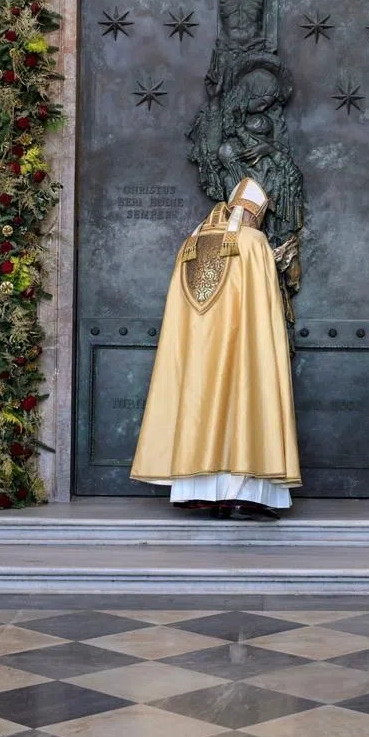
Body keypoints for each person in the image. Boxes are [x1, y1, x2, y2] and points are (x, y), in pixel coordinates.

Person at [130, 177, 300, 519]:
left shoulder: (191, 242)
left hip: (196, 353)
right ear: (255, 213)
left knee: (198, 405)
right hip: (241, 347)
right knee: (244, 405)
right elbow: (263, 305)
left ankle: (198, 493)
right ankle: (242, 496)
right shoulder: (252, 242)